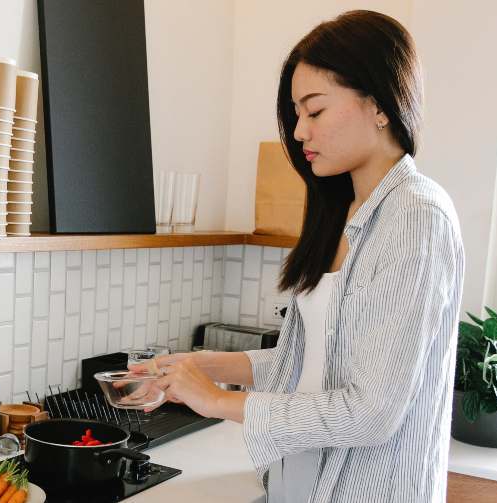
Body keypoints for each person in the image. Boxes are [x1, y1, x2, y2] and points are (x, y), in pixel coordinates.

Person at [130, 10, 465, 503]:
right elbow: (306, 369)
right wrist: (195, 366)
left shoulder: (416, 216)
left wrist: (217, 401)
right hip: (295, 484)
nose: (300, 132)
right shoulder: (339, 211)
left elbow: (372, 413)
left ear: (379, 103)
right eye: (296, 114)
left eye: (315, 110)